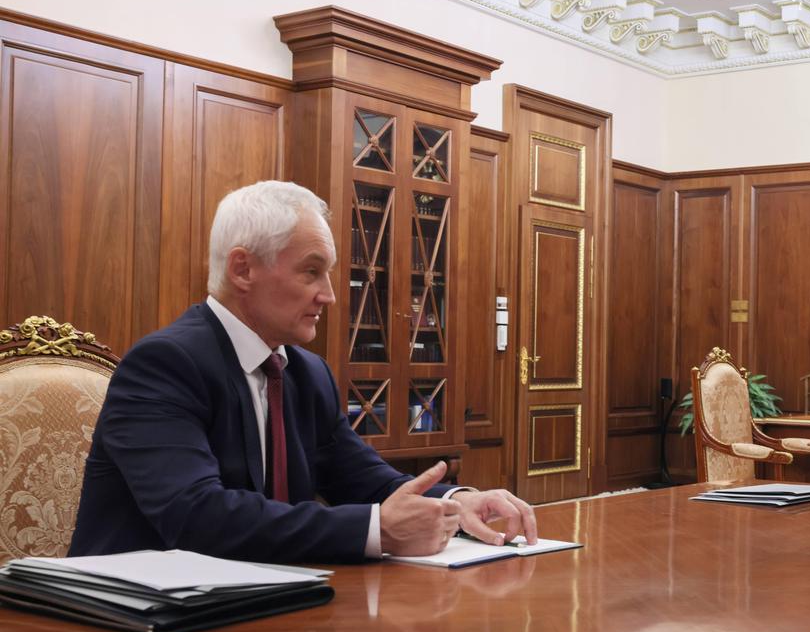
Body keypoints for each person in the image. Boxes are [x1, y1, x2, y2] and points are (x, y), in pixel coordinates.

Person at [69, 180, 537, 563]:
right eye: (311, 272)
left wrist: (456, 504)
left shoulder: (306, 373)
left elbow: (364, 479)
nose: (329, 295)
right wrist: (376, 530)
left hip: (259, 609)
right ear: (243, 269)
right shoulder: (165, 365)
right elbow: (198, 517)